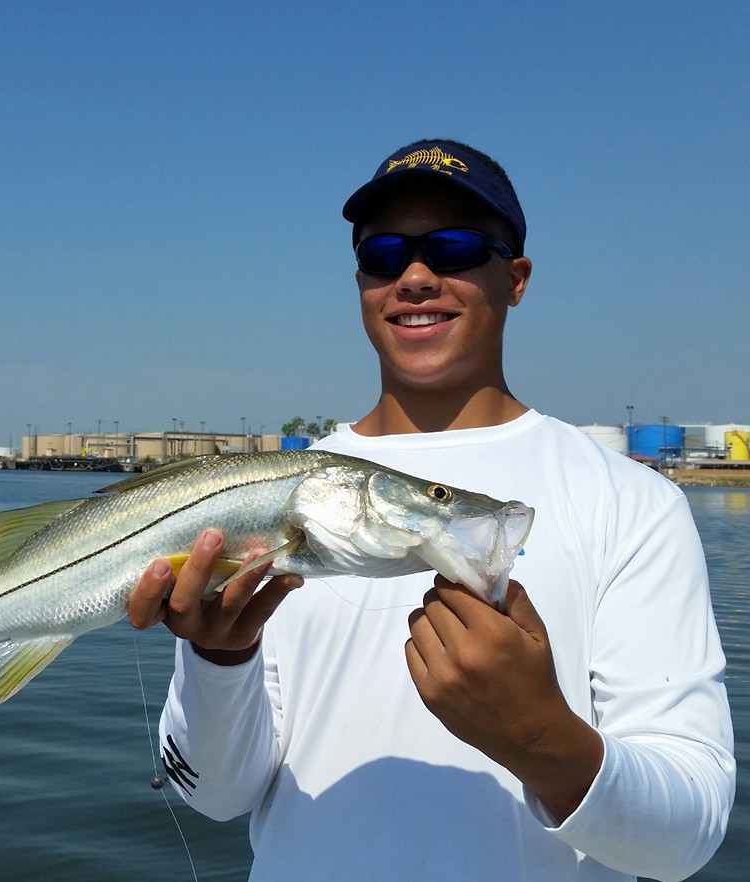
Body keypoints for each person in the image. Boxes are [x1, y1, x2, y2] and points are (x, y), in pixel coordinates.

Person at [128, 139, 735, 881]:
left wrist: (539, 735)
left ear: (516, 278)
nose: (415, 277)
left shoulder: (633, 501)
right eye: (384, 255)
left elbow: (686, 842)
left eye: (455, 248)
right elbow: (215, 796)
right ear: (361, 283)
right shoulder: (278, 496)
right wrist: (220, 658)